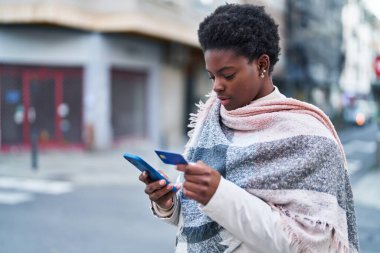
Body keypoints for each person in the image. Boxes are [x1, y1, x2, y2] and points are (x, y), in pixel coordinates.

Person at [139, 3, 359, 253]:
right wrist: (169, 204)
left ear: (262, 65)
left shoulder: (309, 136)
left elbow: (309, 244)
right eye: (212, 77)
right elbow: (196, 219)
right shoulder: (210, 120)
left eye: (228, 75)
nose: (216, 87)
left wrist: (218, 195)